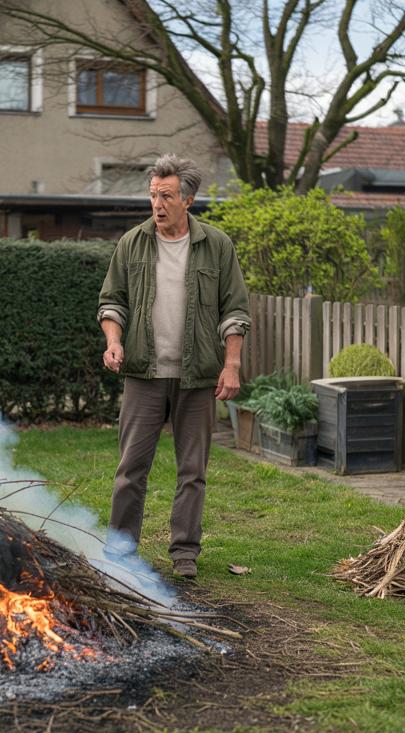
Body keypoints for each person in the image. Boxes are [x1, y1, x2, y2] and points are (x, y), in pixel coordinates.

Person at [96, 153, 250, 579]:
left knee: (192, 471)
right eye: (152, 195)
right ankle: (121, 548)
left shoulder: (216, 245)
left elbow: (234, 311)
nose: (157, 204)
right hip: (143, 374)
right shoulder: (133, 243)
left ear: (188, 199)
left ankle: (184, 552)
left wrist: (231, 364)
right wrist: (114, 342)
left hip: (197, 376)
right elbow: (112, 302)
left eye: (165, 196)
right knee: (131, 469)